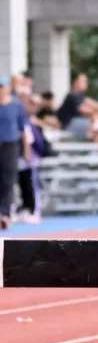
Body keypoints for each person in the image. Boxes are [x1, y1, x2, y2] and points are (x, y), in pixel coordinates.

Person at [0, 76, 32, 229]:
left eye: (2, 87)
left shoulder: (16, 105)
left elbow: (23, 129)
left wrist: (26, 150)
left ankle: (5, 214)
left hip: (10, 145)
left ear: (7, 88)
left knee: (8, 180)